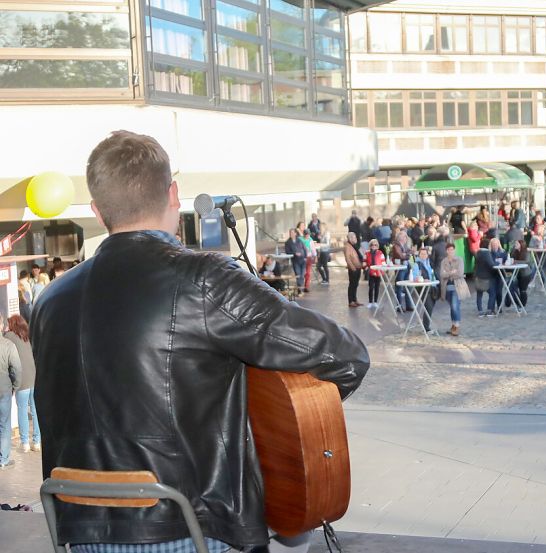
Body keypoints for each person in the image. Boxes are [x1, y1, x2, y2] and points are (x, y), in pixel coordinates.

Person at [31, 131, 369, 552]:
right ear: (174, 194)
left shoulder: (49, 300)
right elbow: (346, 356)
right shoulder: (205, 279)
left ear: (99, 212)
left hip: (77, 532)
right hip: (189, 530)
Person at [5, 315, 38, 453]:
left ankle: (24, 442)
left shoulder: (9, 336)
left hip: (22, 380)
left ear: (12, 324)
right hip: (34, 377)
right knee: (35, 411)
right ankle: (37, 442)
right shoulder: (27, 335)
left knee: (22, 410)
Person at [0, 325, 21, 469]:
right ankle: (3, 459)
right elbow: (17, 369)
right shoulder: (8, 345)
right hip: (4, 389)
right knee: (4, 425)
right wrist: (16, 386)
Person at [439, 243, 467, 336]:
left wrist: (448, 273)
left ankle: (457, 326)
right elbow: (442, 275)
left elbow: (460, 273)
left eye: (452, 249)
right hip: (447, 287)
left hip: (457, 286)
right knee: (452, 307)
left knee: (455, 306)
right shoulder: (444, 261)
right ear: (446, 251)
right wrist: (452, 272)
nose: (450, 251)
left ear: (454, 250)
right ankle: (453, 325)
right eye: (448, 250)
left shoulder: (459, 260)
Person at [411, 247, 438, 334]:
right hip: (422, 288)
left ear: (427, 255)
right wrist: (422, 279)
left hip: (432, 287)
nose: (423, 255)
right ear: (419, 255)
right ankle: (426, 328)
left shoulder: (428, 263)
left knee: (430, 306)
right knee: (428, 307)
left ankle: (426, 324)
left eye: (425, 254)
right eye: (421, 254)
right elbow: (415, 277)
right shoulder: (416, 264)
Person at [364, 239, 386, 309]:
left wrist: (384, 268)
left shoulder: (380, 253)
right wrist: (366, 268)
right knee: (370, 287)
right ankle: (370, 302)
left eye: (375, 245)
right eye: (372, 245)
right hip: (370, 272)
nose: (374, 246)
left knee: (377, 287)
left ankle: (375, 302)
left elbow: (383, 262)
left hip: (378, 272)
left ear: (377, 246)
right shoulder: (367, 253)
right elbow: (364, 262)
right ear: (370, 246)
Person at [344, 231, 363, 308]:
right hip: (353, 269)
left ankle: (355, 300)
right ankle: (351, 301)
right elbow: (348, 259)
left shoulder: (353, 245)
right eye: (354, 237)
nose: (356, 239)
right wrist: (353, 268)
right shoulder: (347, 246)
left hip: (357, 268)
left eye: (355, 237)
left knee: (355, 285)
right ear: (350, 238)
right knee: (352, 285)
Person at [300, 228, 316, 293]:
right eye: (306, 234)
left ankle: (306, 286)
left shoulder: (310, 240)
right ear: (304, 234)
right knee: (301, 273)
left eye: (308, 234)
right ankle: (300, 286)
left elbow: (313, 249)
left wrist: (314, 256)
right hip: (301, 257)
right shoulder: (300, 239)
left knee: (308, 273)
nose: (307, 236)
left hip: (308, 257)